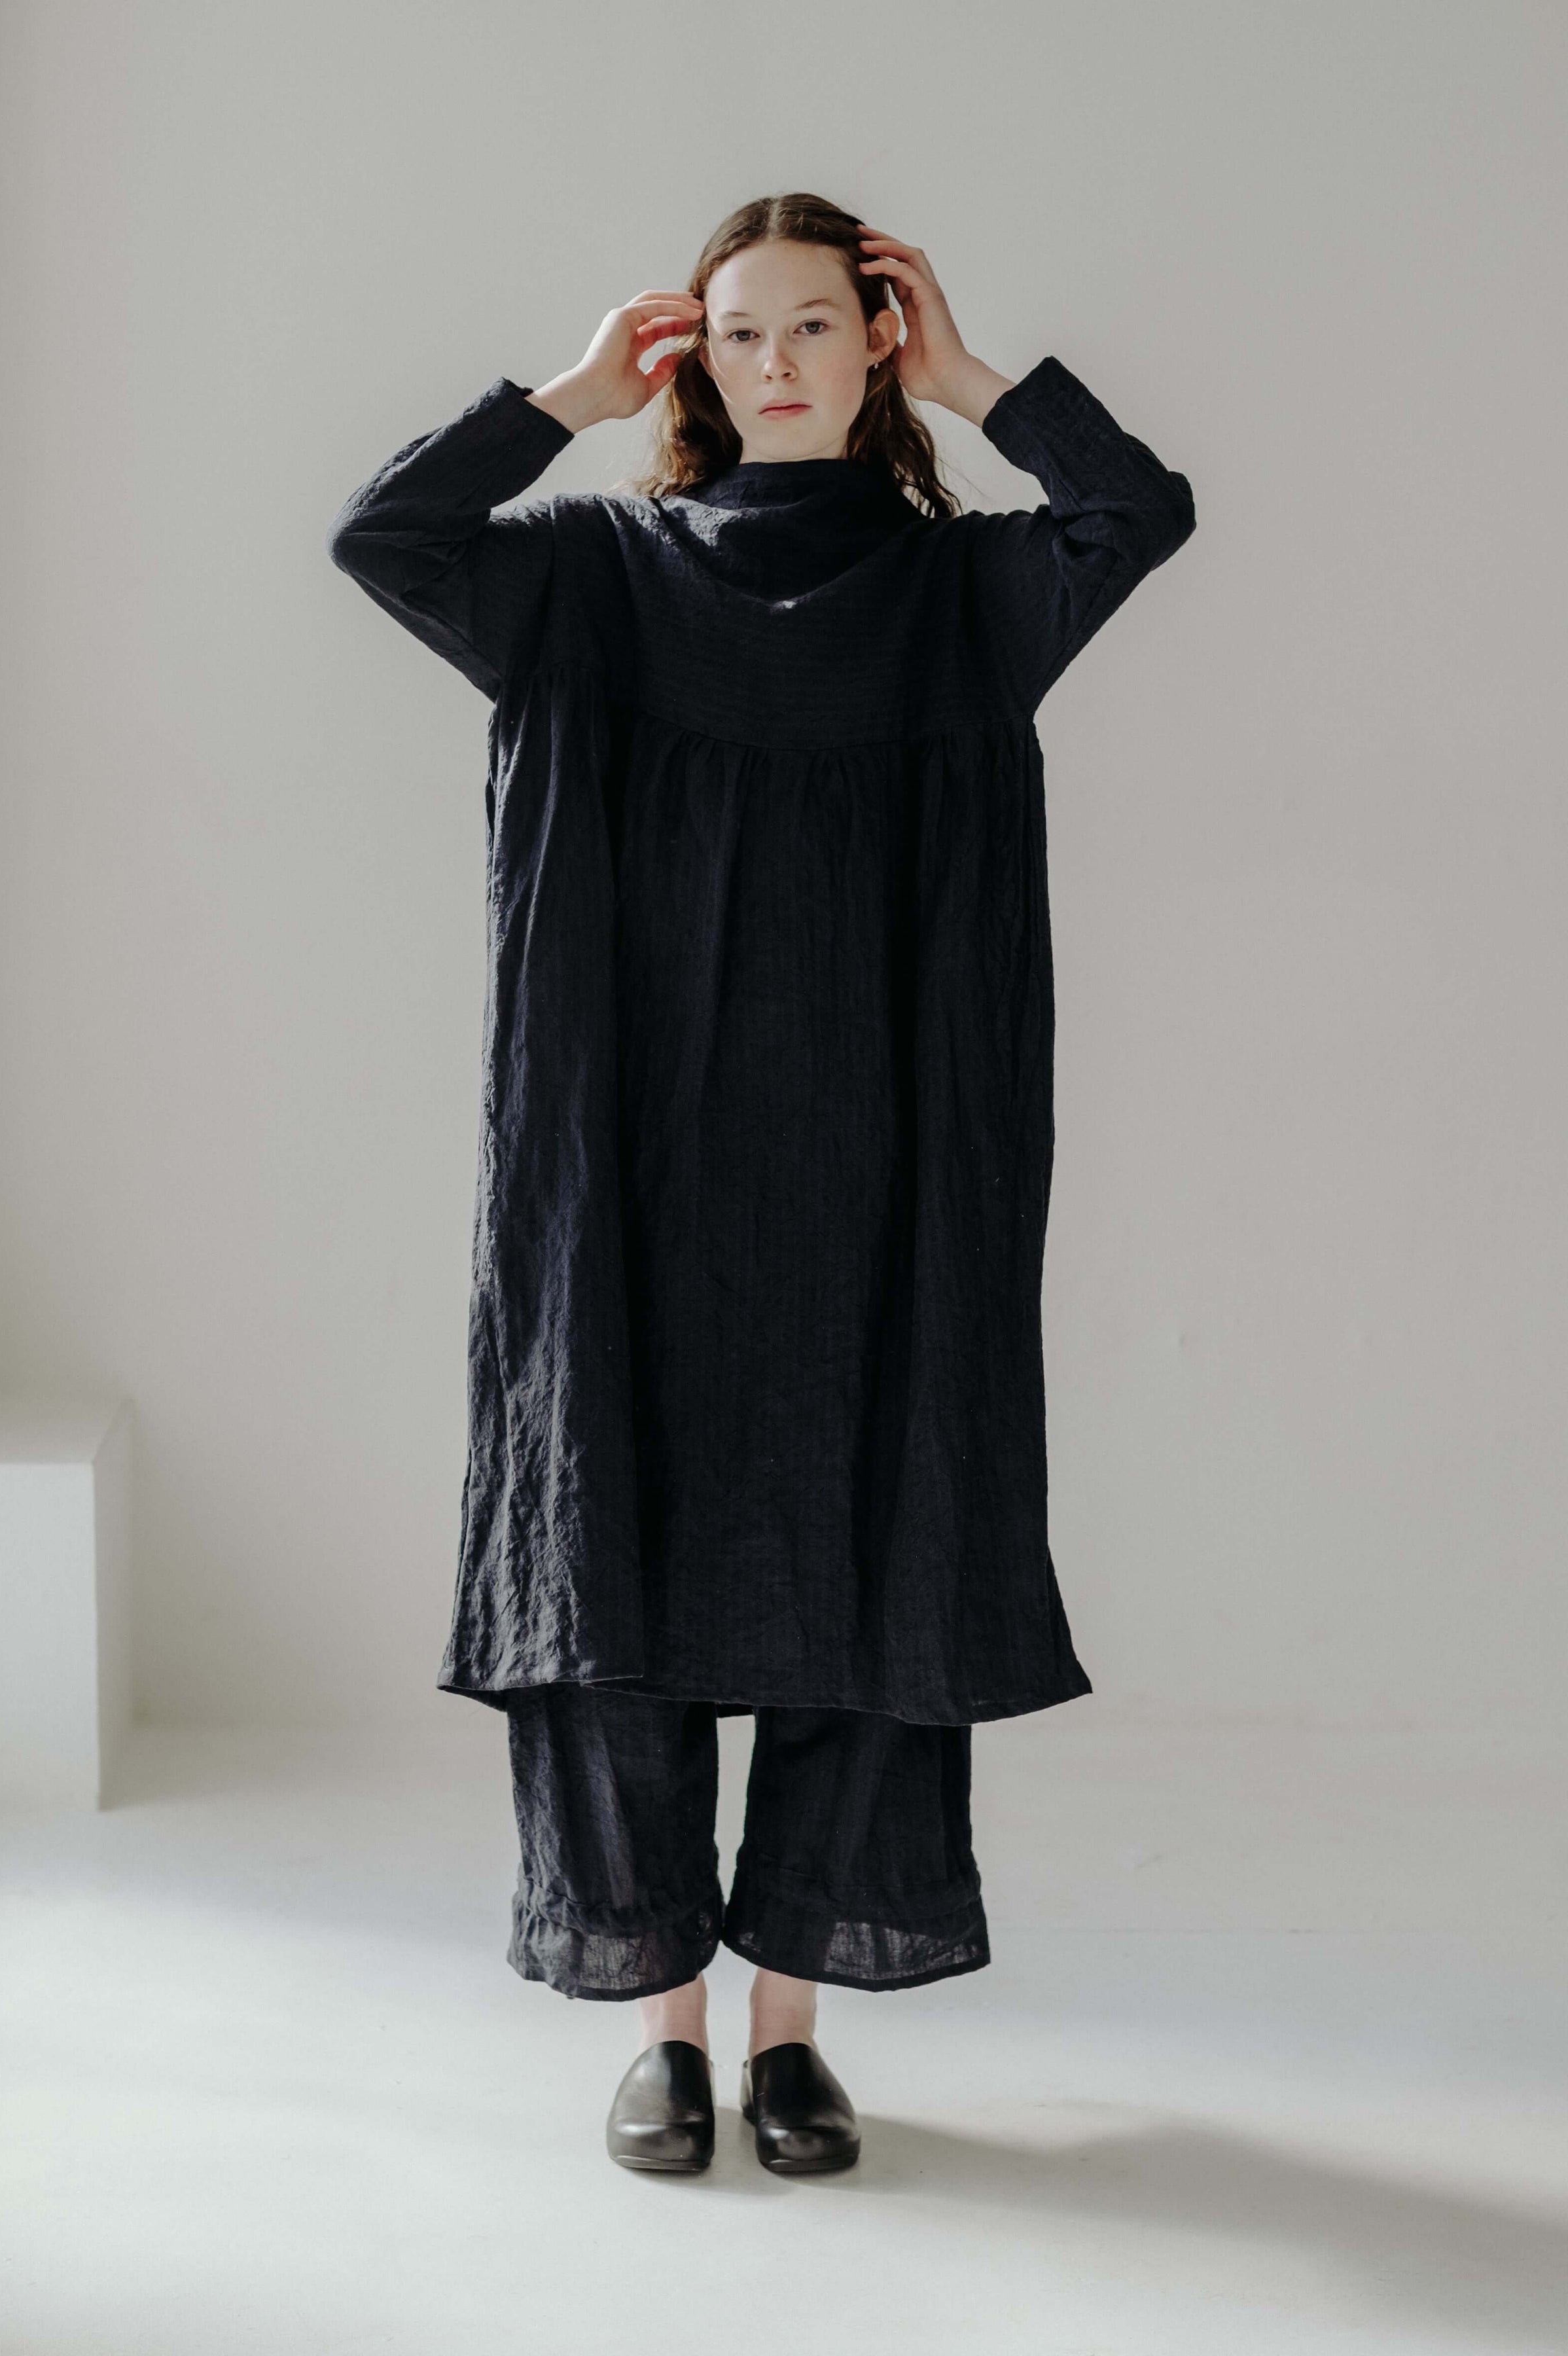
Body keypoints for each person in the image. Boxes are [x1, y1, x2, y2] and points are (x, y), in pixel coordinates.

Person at [326, 191, 1195, 2177]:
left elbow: (1135, 514)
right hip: (620, 1170)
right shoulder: (589, 581)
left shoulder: (962, 595)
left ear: (876, 343)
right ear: (691, 359)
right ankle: (665, 2029)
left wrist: (978, 381)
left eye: (819, 323)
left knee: (871, 1550)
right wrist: (559, 401)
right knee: (611, 1556)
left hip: (886, 1171)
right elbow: (386, 539)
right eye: (739, 331)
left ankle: (790, 2031)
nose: (779, 360)